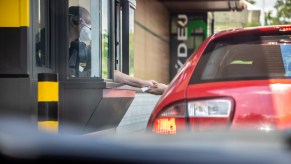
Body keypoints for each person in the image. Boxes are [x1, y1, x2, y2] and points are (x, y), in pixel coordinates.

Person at [68, 6, 168, 95]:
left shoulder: (81, 50)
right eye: (88, 22)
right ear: (75, 20)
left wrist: (144, 83)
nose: (90, 27)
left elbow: (111, 73)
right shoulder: (54, 46)